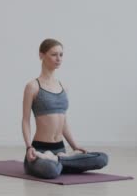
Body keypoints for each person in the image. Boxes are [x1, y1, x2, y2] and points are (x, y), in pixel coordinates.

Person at [21, 38, 108, 179]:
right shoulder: (32, 86)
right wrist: (28, 147)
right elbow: (25, 120)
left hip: (61, 150)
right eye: (54, 54)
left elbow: (63, 122)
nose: (59, 59)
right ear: (41, 55)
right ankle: (61, 163)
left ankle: (59, 160)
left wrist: (74, 146)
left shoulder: (63, 87)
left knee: (102, 158)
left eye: (61, 55)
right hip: (39, 150)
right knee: (51, 171)